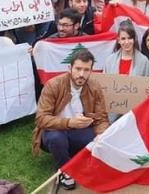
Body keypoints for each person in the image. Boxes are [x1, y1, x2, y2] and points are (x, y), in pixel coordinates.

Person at [33, 49, 110, 190]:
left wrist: (101, 134)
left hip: (80, 130)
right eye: (78, 69)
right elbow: (41, 119)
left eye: (86, 70)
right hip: (54, 130)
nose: (82, 74)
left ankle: (73, 156)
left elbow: (101, 118)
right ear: (70, 68)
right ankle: (65, 170)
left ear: (91, 70)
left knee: (98, 140)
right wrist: (69, 122)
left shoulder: (95, 87)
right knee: (57, 138)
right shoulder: (53, 85)